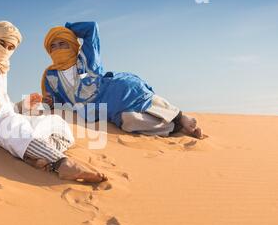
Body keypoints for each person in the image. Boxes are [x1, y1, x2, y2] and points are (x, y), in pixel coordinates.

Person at [0, 21, 106, 183]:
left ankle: (35, 155)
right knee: (8, 124)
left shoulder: (0, 70)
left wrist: (22, 105)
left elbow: (4, 105)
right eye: (2, 43)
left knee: (57, 124)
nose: (6, 50)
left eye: (11, 47)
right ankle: (61, 164)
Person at [41, 21, 203, 138]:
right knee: (130, 121)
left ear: (72, 44)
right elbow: (56, 101)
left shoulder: (86, 57)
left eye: (63, 43)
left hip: (115, 88)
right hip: (101, 110)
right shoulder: (51, 76)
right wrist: (49, 102)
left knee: (139, 95)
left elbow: (92, 28)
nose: (58, 49)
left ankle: (180, 117)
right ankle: (174, 128)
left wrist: (67, 29)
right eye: (53, 46)